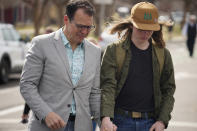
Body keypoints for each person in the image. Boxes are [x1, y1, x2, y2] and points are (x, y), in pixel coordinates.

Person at [20, 0, 101, 131]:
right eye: (80, 26)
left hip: (82, 126)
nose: (85, 32)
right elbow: (27, 85)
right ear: (66, 19)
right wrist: (46, 113)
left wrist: (103, 121)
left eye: (89, 27)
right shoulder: (41, 44)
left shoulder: (95, 51)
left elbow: (95, 93)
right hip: (46, 126)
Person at [100, 2, 176, 131]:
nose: (145, 33)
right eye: (141, 28)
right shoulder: (114, 50)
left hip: (150, 122)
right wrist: (105, 117)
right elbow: (107, 86)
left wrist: (162, 121)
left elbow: (168, 90)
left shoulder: (163, 54)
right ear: (131, 25)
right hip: (119, 122)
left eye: (150, 28)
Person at [20, 28, 54, 125]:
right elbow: (28, 86)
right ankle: (25, 114)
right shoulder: (38, 49)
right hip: (40, 93)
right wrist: (25, 112)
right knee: (33, 90)